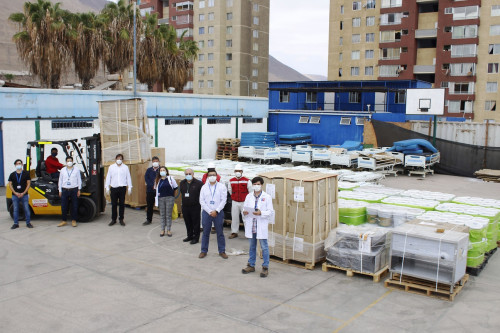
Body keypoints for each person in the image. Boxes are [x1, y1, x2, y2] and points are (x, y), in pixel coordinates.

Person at [241, 177, 274, 278]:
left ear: (262, 185)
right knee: (252, 246)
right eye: (254, 184)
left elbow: (270, 212)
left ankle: (265, 267)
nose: (256, 186)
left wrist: (261, 213)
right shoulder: (248, 196)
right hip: (251, 226)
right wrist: (244, 212)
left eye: (258, 184)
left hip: (261, 225)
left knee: (264, 247)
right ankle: (251, 265)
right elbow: (244, 208)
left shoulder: (267, 197)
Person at [199, 170, 228, 259]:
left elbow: (224, 200)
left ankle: (222, 251)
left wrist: (217, 210)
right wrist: (209, 211)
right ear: (207, 177)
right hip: (207, 213)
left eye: (214, 175)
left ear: (216, 176)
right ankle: (203, 251)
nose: (212, 176)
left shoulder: (221, 187)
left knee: (220, 233)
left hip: (218, 213)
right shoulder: (204, 187)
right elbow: (202, 201)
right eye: (210, 175)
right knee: (205, 233)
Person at [105, 153, 132, 226]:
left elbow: (128, 177)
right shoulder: (111, 167)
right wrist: (107, 187)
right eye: (118, 159)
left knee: (122, 204)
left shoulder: (125, 167)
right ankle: (113, 219)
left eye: (120, 159)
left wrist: (130, 187)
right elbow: (108, 177)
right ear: (115, 159)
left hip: (122, 188)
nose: (119, 160)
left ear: (122, 160)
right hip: (114, 188)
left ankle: (121, 219)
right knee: (114, 204)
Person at [179, 168, 203, 244]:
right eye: (186, 174)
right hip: (185, 206)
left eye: (190, 174)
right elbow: (182, 193)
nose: (188, 175)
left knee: (195, 223)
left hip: (195, 206)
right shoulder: (182, 183)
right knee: (187, 222)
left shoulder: (199, 183)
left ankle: (196, 238)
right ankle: (189, 236)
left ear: (193, 174)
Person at [228, 164, 252, 239]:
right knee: (234, 217)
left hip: (244, 202)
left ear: (242, 171)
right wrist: (234, 197)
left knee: (246, 217)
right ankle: (234, 232)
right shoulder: (231, 181)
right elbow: (230, 190)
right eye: (236, 171)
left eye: (239, 171)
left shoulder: (247, 181)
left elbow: (250, 191)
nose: (238, 172)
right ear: (234, 171)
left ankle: (248, 233)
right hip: (235, 201)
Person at [57, 156, 82, 227]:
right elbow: (60, 180)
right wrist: (60, 190)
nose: (69, 162)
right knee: (64, 206)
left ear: (72, 161)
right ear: (66, 162)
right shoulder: (62, 170)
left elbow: (79, 180)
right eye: (68, 161)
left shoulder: (76, 170)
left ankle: (74, 220)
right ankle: (64, 220)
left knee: (74, 206)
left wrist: (79, 189)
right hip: (65, 190)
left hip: (74, 189)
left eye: (70, 161)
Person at [8, 159, 33, 229]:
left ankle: (28, 223)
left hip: (24, 195)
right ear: (15, 165)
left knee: (26, 209)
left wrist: (23, 193)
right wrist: (15, 193)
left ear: (22, 164)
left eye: (19, 163)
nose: (18, 165)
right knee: (15, 209)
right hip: (15, 195)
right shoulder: (12, 175)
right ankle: (16, 223)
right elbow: (10, 185)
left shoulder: (26, 174)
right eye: (17, 164)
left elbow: (28, 184)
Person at [155, 166, 178, 237]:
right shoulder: (157, 180)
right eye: (161, 170)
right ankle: (162, 230)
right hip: (161, 199)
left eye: (163, 170)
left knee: (168, 215)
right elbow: (155, 190)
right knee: (162, 215)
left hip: (169, 198)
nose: (162, 171)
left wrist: (172, 197)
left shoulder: (170, 179)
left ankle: (168, 230)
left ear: (166, 171)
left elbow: (175, 188)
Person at [201, 163, 221, 234]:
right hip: (206, 195)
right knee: (204, 210)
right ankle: (203, 226)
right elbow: (203, 183)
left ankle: (213, 226)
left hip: (214, 196)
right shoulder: (204, 175)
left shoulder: (217, 176)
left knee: (214, 210)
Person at [143, 156, 160, 226]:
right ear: (152, 162)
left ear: (158, 162)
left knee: (162, 206)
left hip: (159, 191)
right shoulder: (149, 170)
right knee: (149, 206)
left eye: (157, 161)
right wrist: (152, 185)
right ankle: (148, 219)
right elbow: (146, 178)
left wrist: (157, 186)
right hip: (150, 190)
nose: (155, 163)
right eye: (154, 161)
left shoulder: (161, 170)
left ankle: (164, 220)